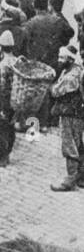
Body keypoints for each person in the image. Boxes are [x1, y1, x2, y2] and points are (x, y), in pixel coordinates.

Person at [49, 44, 83, 191]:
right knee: (78, 143)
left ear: (70, 59)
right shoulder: (75, 70)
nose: (59, 60)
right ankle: (81, 177)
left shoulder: (70, 77)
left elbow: (56, 91)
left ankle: (70, 179)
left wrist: (50, 86)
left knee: (70, 145)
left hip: (70, 113)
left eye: (62, 57)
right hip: (77, 113)